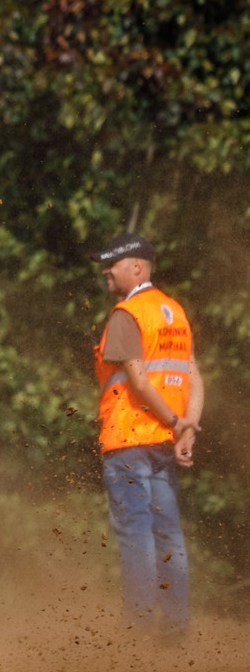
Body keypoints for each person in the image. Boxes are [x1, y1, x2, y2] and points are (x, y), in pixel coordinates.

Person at [91, 234, 203, 634]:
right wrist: (185, 428)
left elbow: (138, 382)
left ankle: (137, 630)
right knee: (168, 535)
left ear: (136, 267)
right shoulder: (175, 313)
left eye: (112, 264)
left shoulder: (127, 314)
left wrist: (176, 423)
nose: (106, 271)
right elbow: (194, 377)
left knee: (136, 535)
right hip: (161, 444)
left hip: (128, 440)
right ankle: (174, 628)